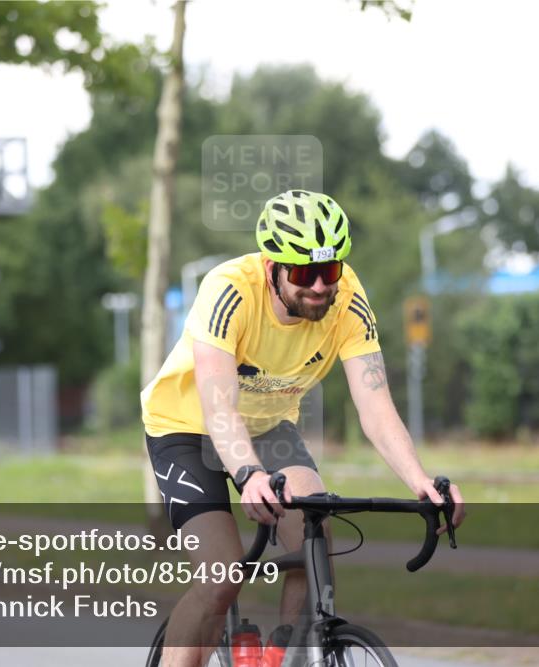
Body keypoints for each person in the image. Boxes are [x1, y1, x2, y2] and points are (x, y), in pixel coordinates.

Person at [141, 190, 465, 666]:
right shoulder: (228, 290)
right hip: (186, 427)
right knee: (222, 577)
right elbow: (218, 406)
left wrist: (420, 481)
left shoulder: (348, 300)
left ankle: (286, 655)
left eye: (329, 270)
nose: (319, 285)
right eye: (303, 272)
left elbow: (375, 405)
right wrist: (248, 476)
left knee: (315, 538)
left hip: (270, 426)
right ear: (271, 267)